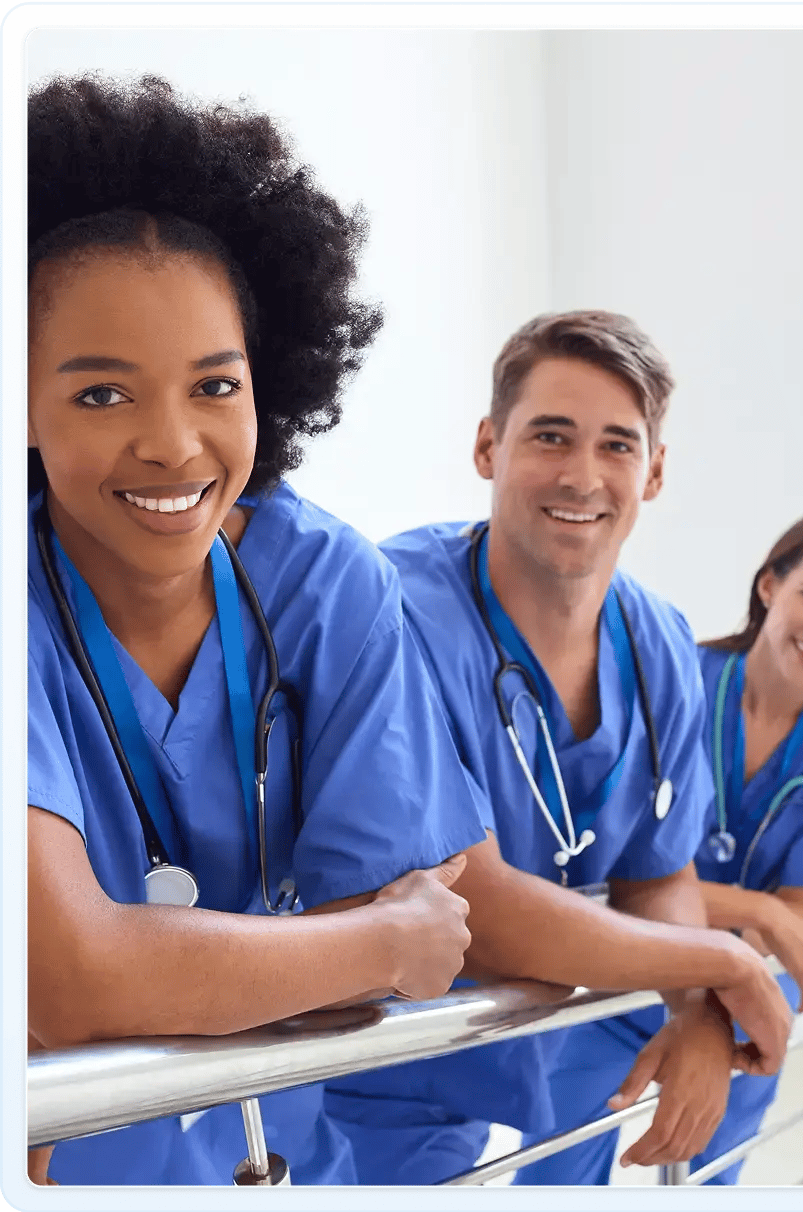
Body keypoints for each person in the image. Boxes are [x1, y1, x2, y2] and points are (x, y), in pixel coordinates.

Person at [25, 75, 487, 1186]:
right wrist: (378, 943)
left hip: (269, 1152)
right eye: (101, 395)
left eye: (213, 385)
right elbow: (71, 980)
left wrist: (160, 965)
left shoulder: (324, 578)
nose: (174, 446)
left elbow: (401, 902)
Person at [324, 311, 794, 1185]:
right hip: (398, 1044)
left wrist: (693, 1008)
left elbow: (657, 872)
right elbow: (477, 905)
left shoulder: (660, 642)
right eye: (551, 436)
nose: (583, 475)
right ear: (487, 446)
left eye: (618, 445)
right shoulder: (394, 614)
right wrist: (721, 958)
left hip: (562, 1015)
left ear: (653, 472)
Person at [516, 508, 803, 1185]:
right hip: (620, 969)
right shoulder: (678, 680)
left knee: (710, 1174)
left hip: (745, 999)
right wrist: (760, 912)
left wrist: (750, 946)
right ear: (769, 588)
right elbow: (614, 877)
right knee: (554, 1166)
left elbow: (797, 921)